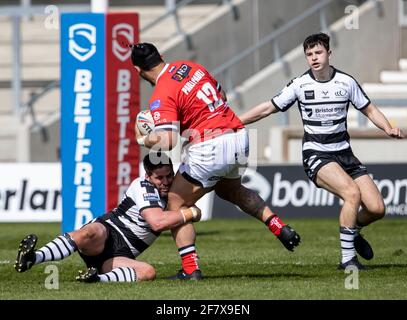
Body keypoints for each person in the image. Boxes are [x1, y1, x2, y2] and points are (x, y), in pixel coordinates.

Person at [131, 43, 301, 280]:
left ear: (138, 70)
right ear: (161, 56)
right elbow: (221, 95)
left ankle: (190, 270)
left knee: (175, 204)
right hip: (239, 137)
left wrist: (144, 139)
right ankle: (277, 225)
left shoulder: (161, 94)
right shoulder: (190, 67)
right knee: (231, 190)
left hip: (210, 144)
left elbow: (167, 141)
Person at [238, 32, 404, 270]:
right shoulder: (300, 84)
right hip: (316, 154)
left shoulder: (346, 82)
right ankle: (347, 260)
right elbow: (268, 108)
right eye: (309, 54)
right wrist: (235, 121)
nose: (314, 58)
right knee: (351, 194)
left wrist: (388, 127)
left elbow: (369, 109)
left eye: (318, 52)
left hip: (345, 154)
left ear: (329, 53)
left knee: (377, 209)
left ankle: (353, 232)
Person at [14, 153, 201, 283]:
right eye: (160, 178)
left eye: (169, 175)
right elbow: (157, 222)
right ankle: (34, 258)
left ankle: (96, 278)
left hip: (122, 254)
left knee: (148, 272)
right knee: (90, 231)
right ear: (148, 176)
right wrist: (191, 212)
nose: (166, 182)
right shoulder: (143, 186)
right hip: (109, 232)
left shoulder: (173, 189)